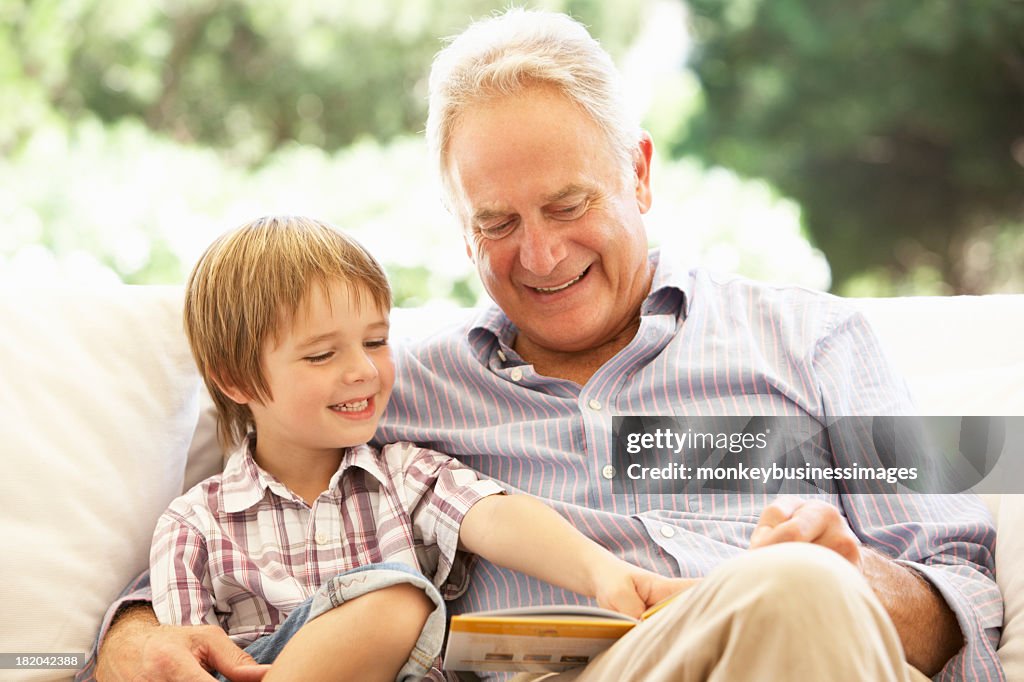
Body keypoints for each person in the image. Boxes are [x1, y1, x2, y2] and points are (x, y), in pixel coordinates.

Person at [87, 8, 1002, 682]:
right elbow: (240, 521)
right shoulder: (395, 390)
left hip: (778, 651)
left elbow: (963, 584)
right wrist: (138, 641)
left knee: (799, 588)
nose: (541, 255)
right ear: (457, 227)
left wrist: (852, 586)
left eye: (569, 206)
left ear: (639, 174)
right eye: (496, 222)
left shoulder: (815, 339)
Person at [147, 215, 689, 682]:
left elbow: (497, 517)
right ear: (237, 380)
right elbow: (183, 660)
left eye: (376, 341)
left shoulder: (405, 473)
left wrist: (606, 575)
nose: (361, 370)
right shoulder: (194, 525)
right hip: (265, 666)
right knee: (397, 597)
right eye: (321, 356)